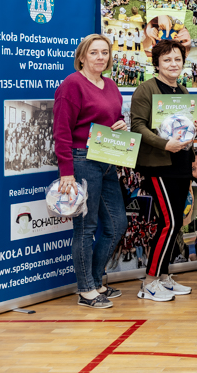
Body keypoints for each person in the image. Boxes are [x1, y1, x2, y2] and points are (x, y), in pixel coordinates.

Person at [53, 34, 128, 309]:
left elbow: (114, 117)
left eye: (104, 52)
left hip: (108, 157)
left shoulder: (109, 84)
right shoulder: (71, 85)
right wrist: (66, 172)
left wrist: (120, 124)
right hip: (82, 160)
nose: (100, 57)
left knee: (117, 224)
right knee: (86, 229)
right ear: (82, 57)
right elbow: (61, 132)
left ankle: (96, 281)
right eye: (94, 52)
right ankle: (86, 290)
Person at [130, 39, 197, 301]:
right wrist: (165, 144)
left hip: (181, 164)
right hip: (158, 166)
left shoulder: (182, 91)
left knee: (174, 224)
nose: (173, 64)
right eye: (167, 60)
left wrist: (195, 127)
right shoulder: (145, 89)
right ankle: (149, 282)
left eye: (177, 59)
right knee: (169, 222)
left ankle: (163, 277)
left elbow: (178, 127)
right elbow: (137, 126)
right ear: (157, 63)